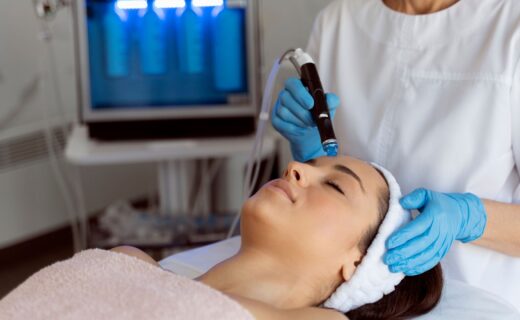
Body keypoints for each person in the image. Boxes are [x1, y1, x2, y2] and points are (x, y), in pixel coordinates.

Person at [271, 0, 520, 311]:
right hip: (343, 302)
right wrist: (311, 151)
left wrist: (470, 219)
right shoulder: (338, 22)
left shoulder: (511, 26)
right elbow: (326, 177)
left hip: (476, 303)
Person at [113, 156, 443, 319]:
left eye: (334, 185)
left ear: (357, 262)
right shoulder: (128, 264)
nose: (294, 166)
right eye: (310, 163)